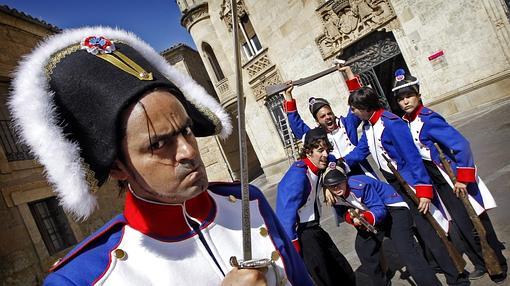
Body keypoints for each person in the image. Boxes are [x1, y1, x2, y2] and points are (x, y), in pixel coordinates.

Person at [9, 27, 312, 286]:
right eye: (158, 145)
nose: (188, 151)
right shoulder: (82, 278)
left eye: (187, 131)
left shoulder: (249, 202)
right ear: (117, 167)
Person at [343, 87, 470, 285]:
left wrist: (424, 191)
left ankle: (457, 277)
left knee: (433, 232)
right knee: (424, 234)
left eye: (354, 109)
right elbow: (360, 152)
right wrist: (337, 164)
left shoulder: (391, 123)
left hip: (411, 184)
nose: (352, 113)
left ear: (365, 108)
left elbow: (412, 158)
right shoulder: (368, 126)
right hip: (396, 185)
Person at [393, 68, 507, 283]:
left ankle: (498, 264)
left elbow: (461, 145)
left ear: (418, 95)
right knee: (459, 225)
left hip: (450, 178)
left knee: (477, 223)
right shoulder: (406, 122)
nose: (405, 101)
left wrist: (462, 179)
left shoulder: (430, 118)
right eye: (400, 99)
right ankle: (480, 263)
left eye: (408, 96)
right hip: (434, 180)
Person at [322, 165, 442, 286]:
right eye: (331, 186)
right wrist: (353, 219)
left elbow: (379, 208)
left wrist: (365, 217)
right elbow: (342, 213)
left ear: (345, 180)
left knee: (406, 251)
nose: (336, 187)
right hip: (372, 215)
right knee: (364, 248)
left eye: (339, 183)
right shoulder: (332, 195)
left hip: (393, 210)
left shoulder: (360, 186)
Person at [276, 127, 355, 286]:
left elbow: (333, 160)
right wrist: (294, 251)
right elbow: (285, 216)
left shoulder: (319, 165)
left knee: (342, 270)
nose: (325, 154)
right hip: (303, 234)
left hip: (315, 229)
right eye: (320, 150)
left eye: (326, 149)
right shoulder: (298, 177)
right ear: (308, 151)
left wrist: (327, 183)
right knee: (325, 277)